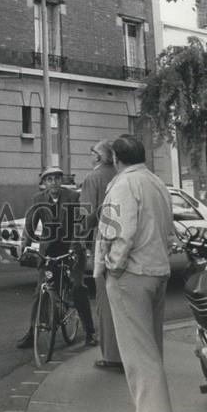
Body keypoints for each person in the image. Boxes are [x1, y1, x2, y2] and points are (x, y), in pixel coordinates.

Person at [98, 135, 176, 412]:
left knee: (140, 360)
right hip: (157, 271)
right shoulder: (156, 183)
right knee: (152, 353)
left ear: (117, 160)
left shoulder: (122, 184)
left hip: (131, 276)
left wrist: (113, 266)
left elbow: (118, 231)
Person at [16, 165, 96, 349]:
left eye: (57, 179)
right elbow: (30, 225)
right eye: (49, 179)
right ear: (43, 183)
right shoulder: (38, 199)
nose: (54, 183)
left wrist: (78, 243)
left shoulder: (73, 197)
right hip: (50, 250)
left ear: (62, 181)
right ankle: (32, 332)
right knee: (41, 290)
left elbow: (80, 223)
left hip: (72, 248)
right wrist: (24, 245)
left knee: (77, 287)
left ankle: (90, 332)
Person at [79, 139, 123, 371]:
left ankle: (111, 356)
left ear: (98, 157)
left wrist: (76, 236)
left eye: (92, 151)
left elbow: (85, 216)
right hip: (125, 246)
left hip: (103, 243)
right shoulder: (118, 175)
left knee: (104, 302)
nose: (90, 154)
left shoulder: (92, 178)